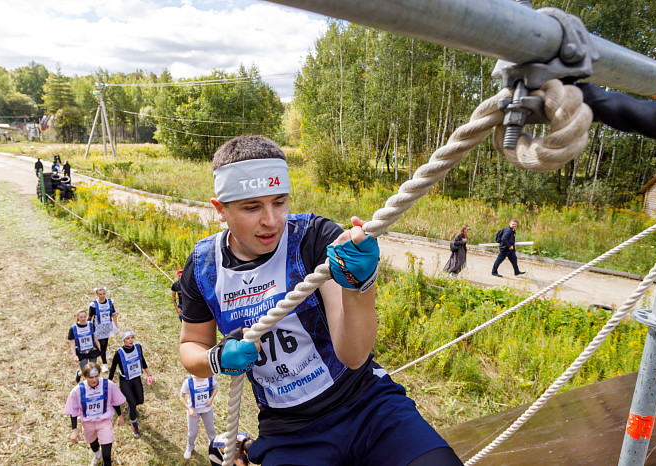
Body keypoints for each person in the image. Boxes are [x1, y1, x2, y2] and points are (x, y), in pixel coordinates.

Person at [179, 135, 462, 465]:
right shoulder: (203, 267)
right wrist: (217, 359)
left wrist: (360, 286)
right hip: (288, 432)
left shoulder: (312, 238)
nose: (271, 220)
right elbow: (191, 347)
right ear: (221, 210)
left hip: (366, 406)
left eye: (279, 201)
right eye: (252, 207)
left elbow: (353, 355)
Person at [64, 362, 126, 466]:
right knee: (93, 442)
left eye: (96, 376)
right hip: (88, 423)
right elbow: (73, 410)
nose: (94, 380)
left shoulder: (108, 385)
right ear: (84, 377)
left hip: (104, 422)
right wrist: (74, 430)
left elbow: (114, 401)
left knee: (106, 455)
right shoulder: (77, 391)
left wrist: (120, 416)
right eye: (91, 377)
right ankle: (97, 455)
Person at [108, 330, 152, 439]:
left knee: (140, 400)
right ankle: (135, 426)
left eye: (132, 337)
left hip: (136, 378)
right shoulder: (119, 353)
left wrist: (149, 374)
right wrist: (108, 382)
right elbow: (113, 368)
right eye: (128, 338)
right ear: (123, 340)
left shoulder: (138, 347)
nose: (131, 340)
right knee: (133, 404)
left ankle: (129, 405)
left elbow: (143, 360)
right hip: (125, 381)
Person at [180, 373, 218, 459]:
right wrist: (189, 409)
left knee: (211, 430)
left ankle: (212, 447)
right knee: (192, 433)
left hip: (207, 410)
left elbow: (215, 388)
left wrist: (211, 398)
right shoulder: (188, 381)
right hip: (194, 411)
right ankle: (189, 448)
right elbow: (182, 397)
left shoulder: (210, 378)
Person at [89, 287, 119, 372]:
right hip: (98, 327)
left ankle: (104, 352)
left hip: (107, 326)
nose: (102, 296)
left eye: (103, 294)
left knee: (105, 343)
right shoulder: (93, 304)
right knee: (102, 344)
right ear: (97, 294)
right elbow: (90, 317)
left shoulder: (109, 302)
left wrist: (115, 325)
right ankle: (104, 363)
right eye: (100, 294)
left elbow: (113, 314)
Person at [68, 310, 101, 383]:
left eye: (84, 317)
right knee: (86, 372)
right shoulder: (73, 328)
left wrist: (99, 347)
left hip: (92, 350)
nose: (83, 319)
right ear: (77, 317)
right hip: (81, 352)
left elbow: (95, 337)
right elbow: (72, 343)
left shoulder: (91, 325)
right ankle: (79, 373)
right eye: (81, 317)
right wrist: (74, 356)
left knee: (93, 370)